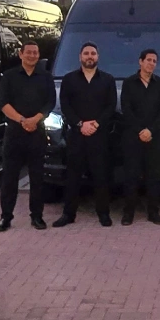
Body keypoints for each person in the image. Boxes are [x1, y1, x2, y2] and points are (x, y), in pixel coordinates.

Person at [56, 42, 118, 227]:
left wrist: (96, 124)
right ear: (80, 57)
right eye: (86, 53)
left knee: (101, 176)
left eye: (93, 53)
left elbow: (111, 106)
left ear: (98, 57)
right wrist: (80, 124)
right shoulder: (69, 80)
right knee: (73, 177)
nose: (90, 56)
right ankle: (68, 214)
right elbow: (65, 106)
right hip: (76, 135)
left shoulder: (108, 80)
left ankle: (103, 214)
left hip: (99, 136)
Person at [0, 41, 55, 232]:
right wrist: (22, 120)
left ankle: (37, 216)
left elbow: (50, 103)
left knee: (37, 178)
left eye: (35, 53)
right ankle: (5, 217)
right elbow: (3, 103)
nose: (32, 55)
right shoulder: (9, 76)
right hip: (14, 133)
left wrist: (34, 120)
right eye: (28, 52)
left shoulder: (45, 77)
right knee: (9, 178)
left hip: (37, 133)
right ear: (21, 54)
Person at [119, 49, 160, 226]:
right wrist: (140, 130)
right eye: (148, 60)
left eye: (154, 61)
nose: (151, 63)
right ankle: (128, 213)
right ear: (140, 61)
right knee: (131, 176)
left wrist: (151, 130)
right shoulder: (128, 83)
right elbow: (126, 109)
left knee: (154, 177)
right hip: (133, 137)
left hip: (155, 137)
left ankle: (153, 213)